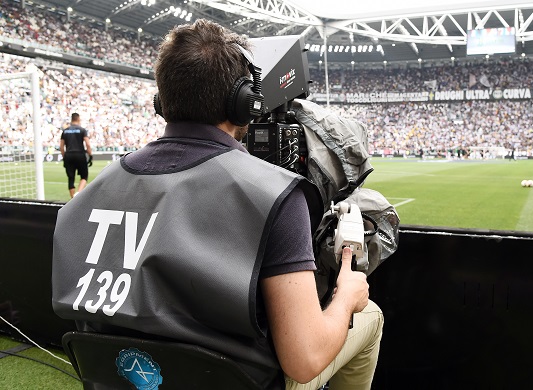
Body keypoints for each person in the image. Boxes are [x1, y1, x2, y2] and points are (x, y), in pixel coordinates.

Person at [51, 19, 383, 390]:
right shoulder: (275, 195)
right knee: (369, 315)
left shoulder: (83, 201)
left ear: (163, 102)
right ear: (242, 103)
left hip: (122, 378)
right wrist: (345, 296)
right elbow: (304, 359)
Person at [59, 113, 92, 198]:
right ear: (78, 119)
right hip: (80, 154)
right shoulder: (82, 130)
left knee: (71, 178)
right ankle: (78, 193)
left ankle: (72, 199)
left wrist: (64, 157)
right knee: (84, 176)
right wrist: (90, 155)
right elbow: (88, 144)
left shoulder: (65, 131)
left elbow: (61, 147)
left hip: (69, 155)